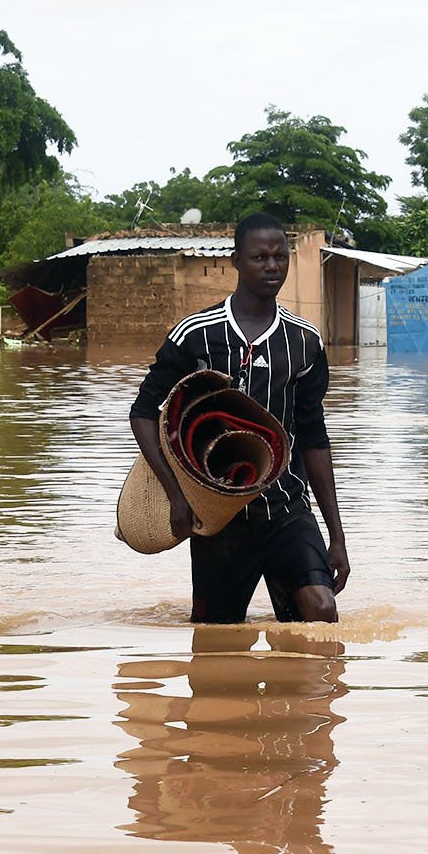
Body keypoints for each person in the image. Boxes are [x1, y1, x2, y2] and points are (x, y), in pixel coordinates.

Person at [129, 212, 350, 624]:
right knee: (216, 639)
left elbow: (314, 437)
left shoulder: (304, 342)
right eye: (259, 257)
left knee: (321, 610)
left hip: (287, 508)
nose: (272, 266)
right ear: (235, 261)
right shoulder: (195, 335)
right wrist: (176, 494)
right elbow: (143, 413)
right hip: (218, 519)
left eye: (280, 257)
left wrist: (337, 536)